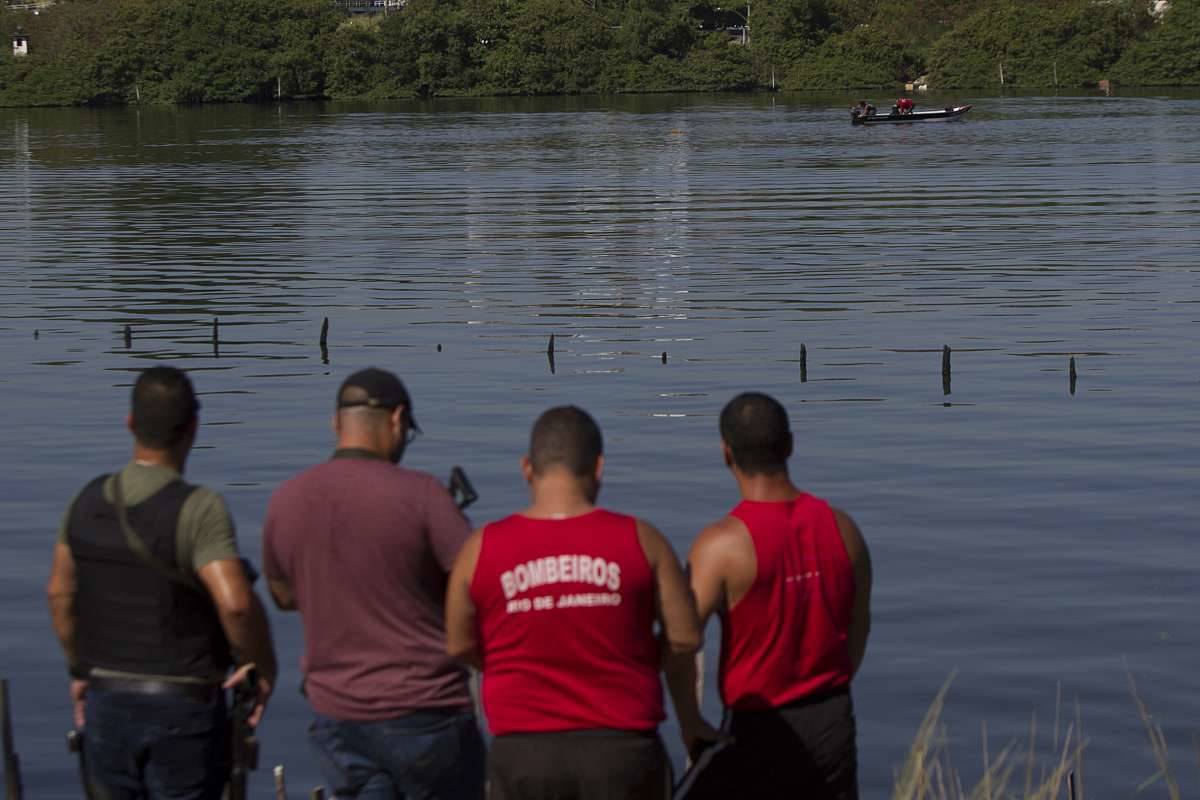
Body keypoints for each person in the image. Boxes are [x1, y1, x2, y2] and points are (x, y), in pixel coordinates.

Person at [445, 406, 702, 800]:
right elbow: (685, 637)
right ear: (599, 467)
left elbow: (459, 644)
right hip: (622, 751)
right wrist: (630, 659)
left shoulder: (480, 549)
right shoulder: (641, 539)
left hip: (522, 754)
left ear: (527, 468)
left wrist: (510, 661)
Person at [47, 365, 277, 800]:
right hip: (183, 705)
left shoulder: (86, 500)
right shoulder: (199, 508)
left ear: (130, 423)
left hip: (106, 699)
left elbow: (58, 592)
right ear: (193, 427)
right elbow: (236, 605)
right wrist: (261, 666)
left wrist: (79, 668)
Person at [262, 367, 484, 799]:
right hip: (426, 713)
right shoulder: (423, 496)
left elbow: (283, 595)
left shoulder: (286, 499)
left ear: (335, 423)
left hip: (338, 715)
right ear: (398, 419)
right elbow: (479, 589)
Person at [666, 392, 872, 800]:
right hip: (833, 720)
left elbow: (680, 642)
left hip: (758, 727)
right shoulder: (844, 529)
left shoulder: (721, 546)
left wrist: (689, 722)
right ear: (790, 445)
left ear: (727, 453)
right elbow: (858, 629)